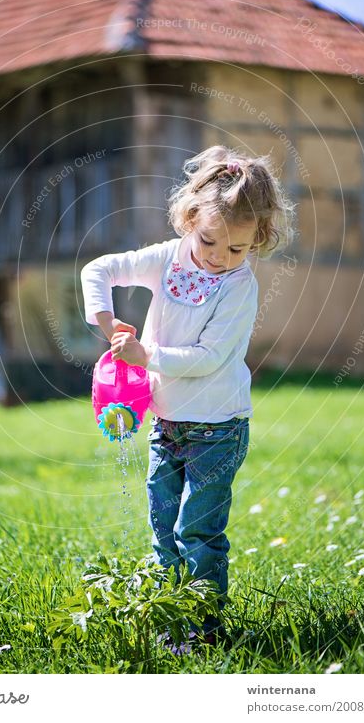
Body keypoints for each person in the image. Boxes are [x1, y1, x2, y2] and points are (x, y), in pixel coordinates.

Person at [80, 144, 295, 652]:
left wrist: (144, 354)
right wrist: (110, 327)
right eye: (210, 241)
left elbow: (209, 358)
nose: (221, 257)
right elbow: (98, 270)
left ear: (257, 241)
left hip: (217, 431)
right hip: (166, 425)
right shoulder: (167, 259)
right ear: (189, 219)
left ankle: (202, 631)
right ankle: (170, 620)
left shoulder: (238, 288)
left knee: (196, 532)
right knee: (163, 529)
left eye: (238, 249)